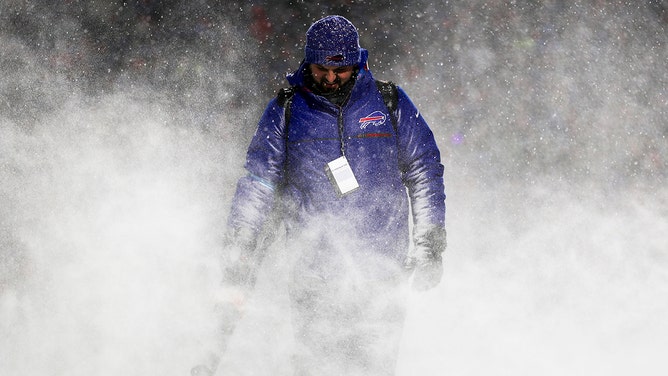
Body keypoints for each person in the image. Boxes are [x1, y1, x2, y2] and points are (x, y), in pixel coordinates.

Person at [219, 15, 446, 376]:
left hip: (381, 273)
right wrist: (240, 246)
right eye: (321, 68)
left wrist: (430, 242)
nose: (329, 77)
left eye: (340, 70)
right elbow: (258, 184)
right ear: (308, 61)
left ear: (358, 61)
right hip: (313, 277)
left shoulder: (389, 102)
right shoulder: (288, 109)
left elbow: (424, 169)